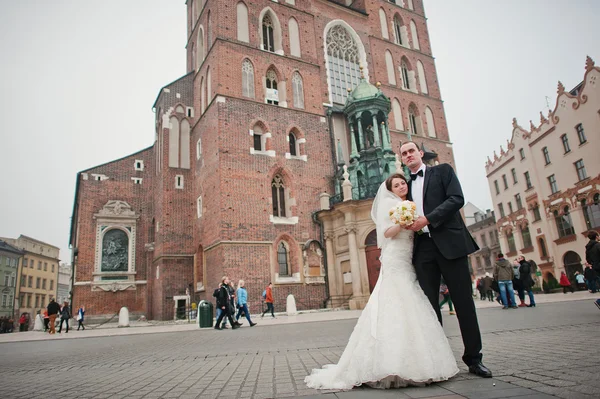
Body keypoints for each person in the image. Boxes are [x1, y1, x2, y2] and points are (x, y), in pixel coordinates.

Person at [305, 173, 459, 390]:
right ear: (390, 189)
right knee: (396, 299)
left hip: (408, 256)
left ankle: (417, 360)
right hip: (396, 255)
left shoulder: (407, 203)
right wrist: (402, 223)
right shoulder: (389, 204)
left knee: (410, 300)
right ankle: (388, 362)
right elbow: (385, 233)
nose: (401, 186)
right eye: (396, 184)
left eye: (402, 183)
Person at [401, 142, 491, 378]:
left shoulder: (442, 171)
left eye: (412, 151)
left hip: (450, 244)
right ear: (401, 159)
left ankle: (474, 358)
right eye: (404, 153)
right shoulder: (404, 185)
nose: (408, 155)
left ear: (421, 154)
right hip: (423, 250)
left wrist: (428, 219)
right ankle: (437, 359)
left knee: (463, 304)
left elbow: (456, 199)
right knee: (429, 308)